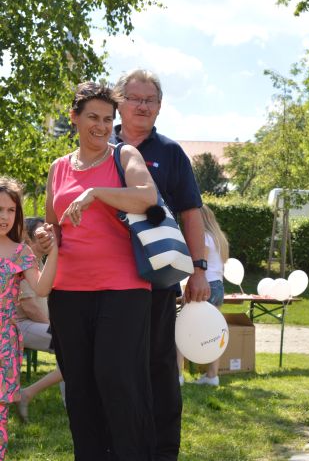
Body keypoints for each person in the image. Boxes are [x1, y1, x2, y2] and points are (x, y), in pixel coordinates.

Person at [45, 81, 157, 460]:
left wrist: (94, 193)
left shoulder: (123, 156)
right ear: (74, 118)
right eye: (93, 117)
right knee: (79, 388)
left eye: (108, 119)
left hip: (123, 289)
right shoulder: (58, 168)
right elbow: (55, 228)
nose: (102, 126)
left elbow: (147, 197)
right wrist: (44, 240)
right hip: (67, 292)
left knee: (117, 381)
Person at [112, 69, 209, 460]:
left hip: (157, 278)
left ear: (160, 106)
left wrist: (198, 270)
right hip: (107, 281)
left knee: (160, 367)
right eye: (135, 98)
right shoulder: (100, 144)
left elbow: (191, 212)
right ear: (118, 102)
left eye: (150, 100)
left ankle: (163, 451)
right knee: (116, 369)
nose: (142, 106)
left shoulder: (170, 152)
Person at [0, 178, 57, 460]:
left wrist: (54, 251)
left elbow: (42, 289)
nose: (5, 216)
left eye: (11, 210)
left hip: (4, 343)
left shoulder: (21, 252)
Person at [15, 217, 64, 422]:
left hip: (34, 324)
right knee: (70, 348)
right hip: (22, 325)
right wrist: (54, 328)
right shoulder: (25, 261)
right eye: (41, 234)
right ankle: (27, 394)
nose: (47, 238)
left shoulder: (41, 261)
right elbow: (29, 306)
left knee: (71, 350)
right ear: (29, 238)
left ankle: (72, 404)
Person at [177, 205, 229, 387]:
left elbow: (202, 265)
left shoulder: (203, 237)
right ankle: (212, 376)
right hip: (218, 285)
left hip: (204, 285)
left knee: (183, 330)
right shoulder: (219, 238)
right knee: (215, 332)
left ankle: (178, 375)